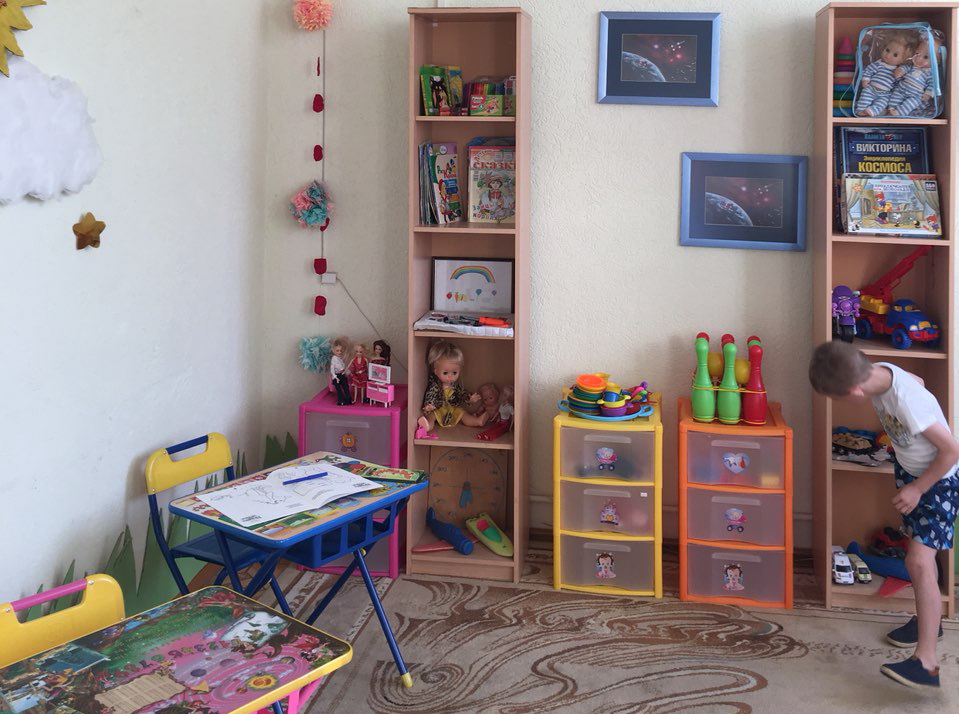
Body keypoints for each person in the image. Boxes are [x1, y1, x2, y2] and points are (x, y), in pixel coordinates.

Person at [809, 341, 959, 689]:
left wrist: (918, 488)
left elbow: (951, 450)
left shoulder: (906, 400)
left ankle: (927, 664)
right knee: (917, 557)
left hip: (938, 482)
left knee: (919, 561)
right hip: (914, 473)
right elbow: (919, 380)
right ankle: (929, 621)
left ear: (855, 391)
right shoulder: (884, 372)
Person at [416, 340, 489, 438]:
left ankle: (477, 421)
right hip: (438, 409)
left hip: (452, 409)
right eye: (445, 373)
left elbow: (461, 393)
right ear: (436, 371)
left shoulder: (454, 386)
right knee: (431, 417)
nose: (450, 377)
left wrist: (470, 398)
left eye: (454, 373)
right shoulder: (435, 386)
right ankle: (427, 426)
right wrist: (429, 405)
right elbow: (431, 395)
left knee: (463, 414)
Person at [329, 336, 352, 406]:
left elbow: (344, 367)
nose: (339, 352)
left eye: (341, 350)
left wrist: (348, 372)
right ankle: (341, 400)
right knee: (339, 389)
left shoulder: (340, 358)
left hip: (342, 375)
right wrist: (334, 376)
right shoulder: (334, 358)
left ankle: (348, 400)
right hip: (337, 376)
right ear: (334, 350)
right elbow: (332, 368)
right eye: (337, 350)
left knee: (346, 387)